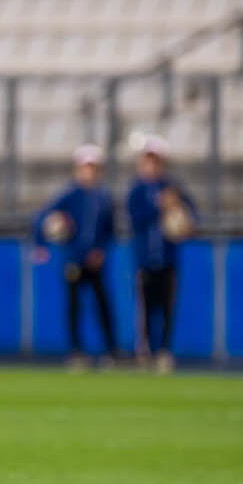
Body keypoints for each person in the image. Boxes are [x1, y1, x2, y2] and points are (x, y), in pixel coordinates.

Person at [32, 144, 118, 369]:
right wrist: (42, 243)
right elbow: (43, 218)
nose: (88, 171)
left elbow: (110, 230)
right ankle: (76, 351)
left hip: (96, 261)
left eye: (92, 167)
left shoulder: (103, 197)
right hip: (73, 260)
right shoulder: (69, 195)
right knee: (74, 307)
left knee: (102, 305)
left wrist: (101, 251)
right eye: (85, 167)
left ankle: (111, 351)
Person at [127, 135, 195, 374]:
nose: (151, 166)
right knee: (145, 308)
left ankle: (164, 351)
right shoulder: (137, 190)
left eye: (155, 162)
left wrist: (181, 214)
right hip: (145, 259)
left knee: (167, 308)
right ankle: (145, 351)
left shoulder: (172, 188)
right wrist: (159, 206)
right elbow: (135, 219)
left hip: (168, 259)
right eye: (148, 161)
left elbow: (191, 216)